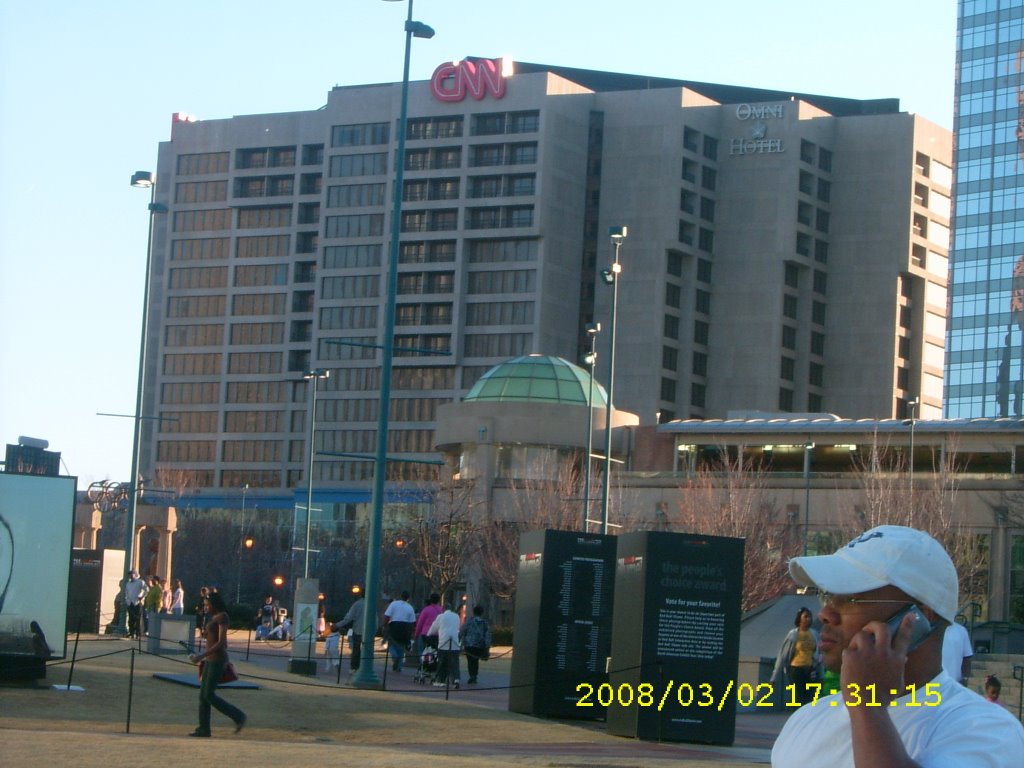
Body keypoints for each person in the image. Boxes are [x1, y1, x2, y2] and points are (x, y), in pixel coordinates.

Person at [771, 525, 1024, 767]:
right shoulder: (806, 721)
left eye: (849, 598)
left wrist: (867, 704)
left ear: (917, 618)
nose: (825, 613)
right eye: (826, 596)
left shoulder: (988, 730)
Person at [188, 590, 246, 737]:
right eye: (205, 605)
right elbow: (212, 638)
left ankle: (238, 716)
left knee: (208, 694)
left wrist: (201, 655)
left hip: (217, 660)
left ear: (214, 604)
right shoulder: (213, 617)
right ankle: (204, 728)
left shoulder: (222, 617)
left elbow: (222, 642)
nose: (205, 607)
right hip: (209, 660)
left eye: (207, 605)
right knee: (203, 696)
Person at [770, 606, 820, 706]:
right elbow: (782, 656)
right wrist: (774, 677)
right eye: (805, 616)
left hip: (810, 669)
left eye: (810, 616)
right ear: (799, 619)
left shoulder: (814, 634)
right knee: (798, 697)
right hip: (796, 669)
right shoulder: (793, 634)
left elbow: (819, 654)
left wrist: (821, 673)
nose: (808, 619)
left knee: (811, 697)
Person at [428, 604, 461, 689]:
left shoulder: (441, 617)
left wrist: (429, 634)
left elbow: (434, 628)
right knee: (454, 663)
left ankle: (441, 680)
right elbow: (457, 628)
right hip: (454, 643)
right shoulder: (456, 616)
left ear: (443, 609)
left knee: (442, 662)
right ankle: (456, 679)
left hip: (443, 643)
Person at [383, 590, 417, 672]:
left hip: (394, 625)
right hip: (405, 627)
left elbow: (387, 616)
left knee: (391, 644)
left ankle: (395, 657)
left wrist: (385, 625)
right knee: (401, 647)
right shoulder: (410, 607)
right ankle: (398, 666)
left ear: (400, 596)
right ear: (408, 598)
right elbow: (413, 622)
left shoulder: (394, 604)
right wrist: (411, 632)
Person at [333, 590, 365, 672]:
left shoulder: (357, 604)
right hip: (369, 632)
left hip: (358, 630)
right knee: (367, 650)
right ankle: (363, 667)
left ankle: (354, 667)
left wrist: (337, 625)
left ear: (361, 594)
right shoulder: (372, 604)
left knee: (356, 649)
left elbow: (348, 618)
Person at [459, 604, 492, 685]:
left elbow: (462, 631)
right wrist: (487, 646)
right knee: (475, 660)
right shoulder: (484, 623)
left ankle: (472, 675)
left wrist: (459, 640)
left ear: (473, 612)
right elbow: (488, 635)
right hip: (479, 645)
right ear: (481, 613)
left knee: (470, 661)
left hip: (469, 644)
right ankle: (474, 676)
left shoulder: (469, 621)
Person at [941, 620, 973, 684]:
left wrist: (965, 679)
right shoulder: (928, 629)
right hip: (931, 685)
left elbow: (967, 657)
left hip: (954, 682)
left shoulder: (961, 631)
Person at [124, 570, 147, 639]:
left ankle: (138, 634)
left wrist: (142, 597)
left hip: (137, 603)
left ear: (135, 574)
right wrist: (127, 601)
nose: (130, 576)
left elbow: (146, 590)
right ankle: (131, 633)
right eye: (130, 574)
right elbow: (126, 593)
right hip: (130, 603)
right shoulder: (128, 584)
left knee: (138, 619)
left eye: (132, 574)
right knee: (131, 619)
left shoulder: (140, 582)